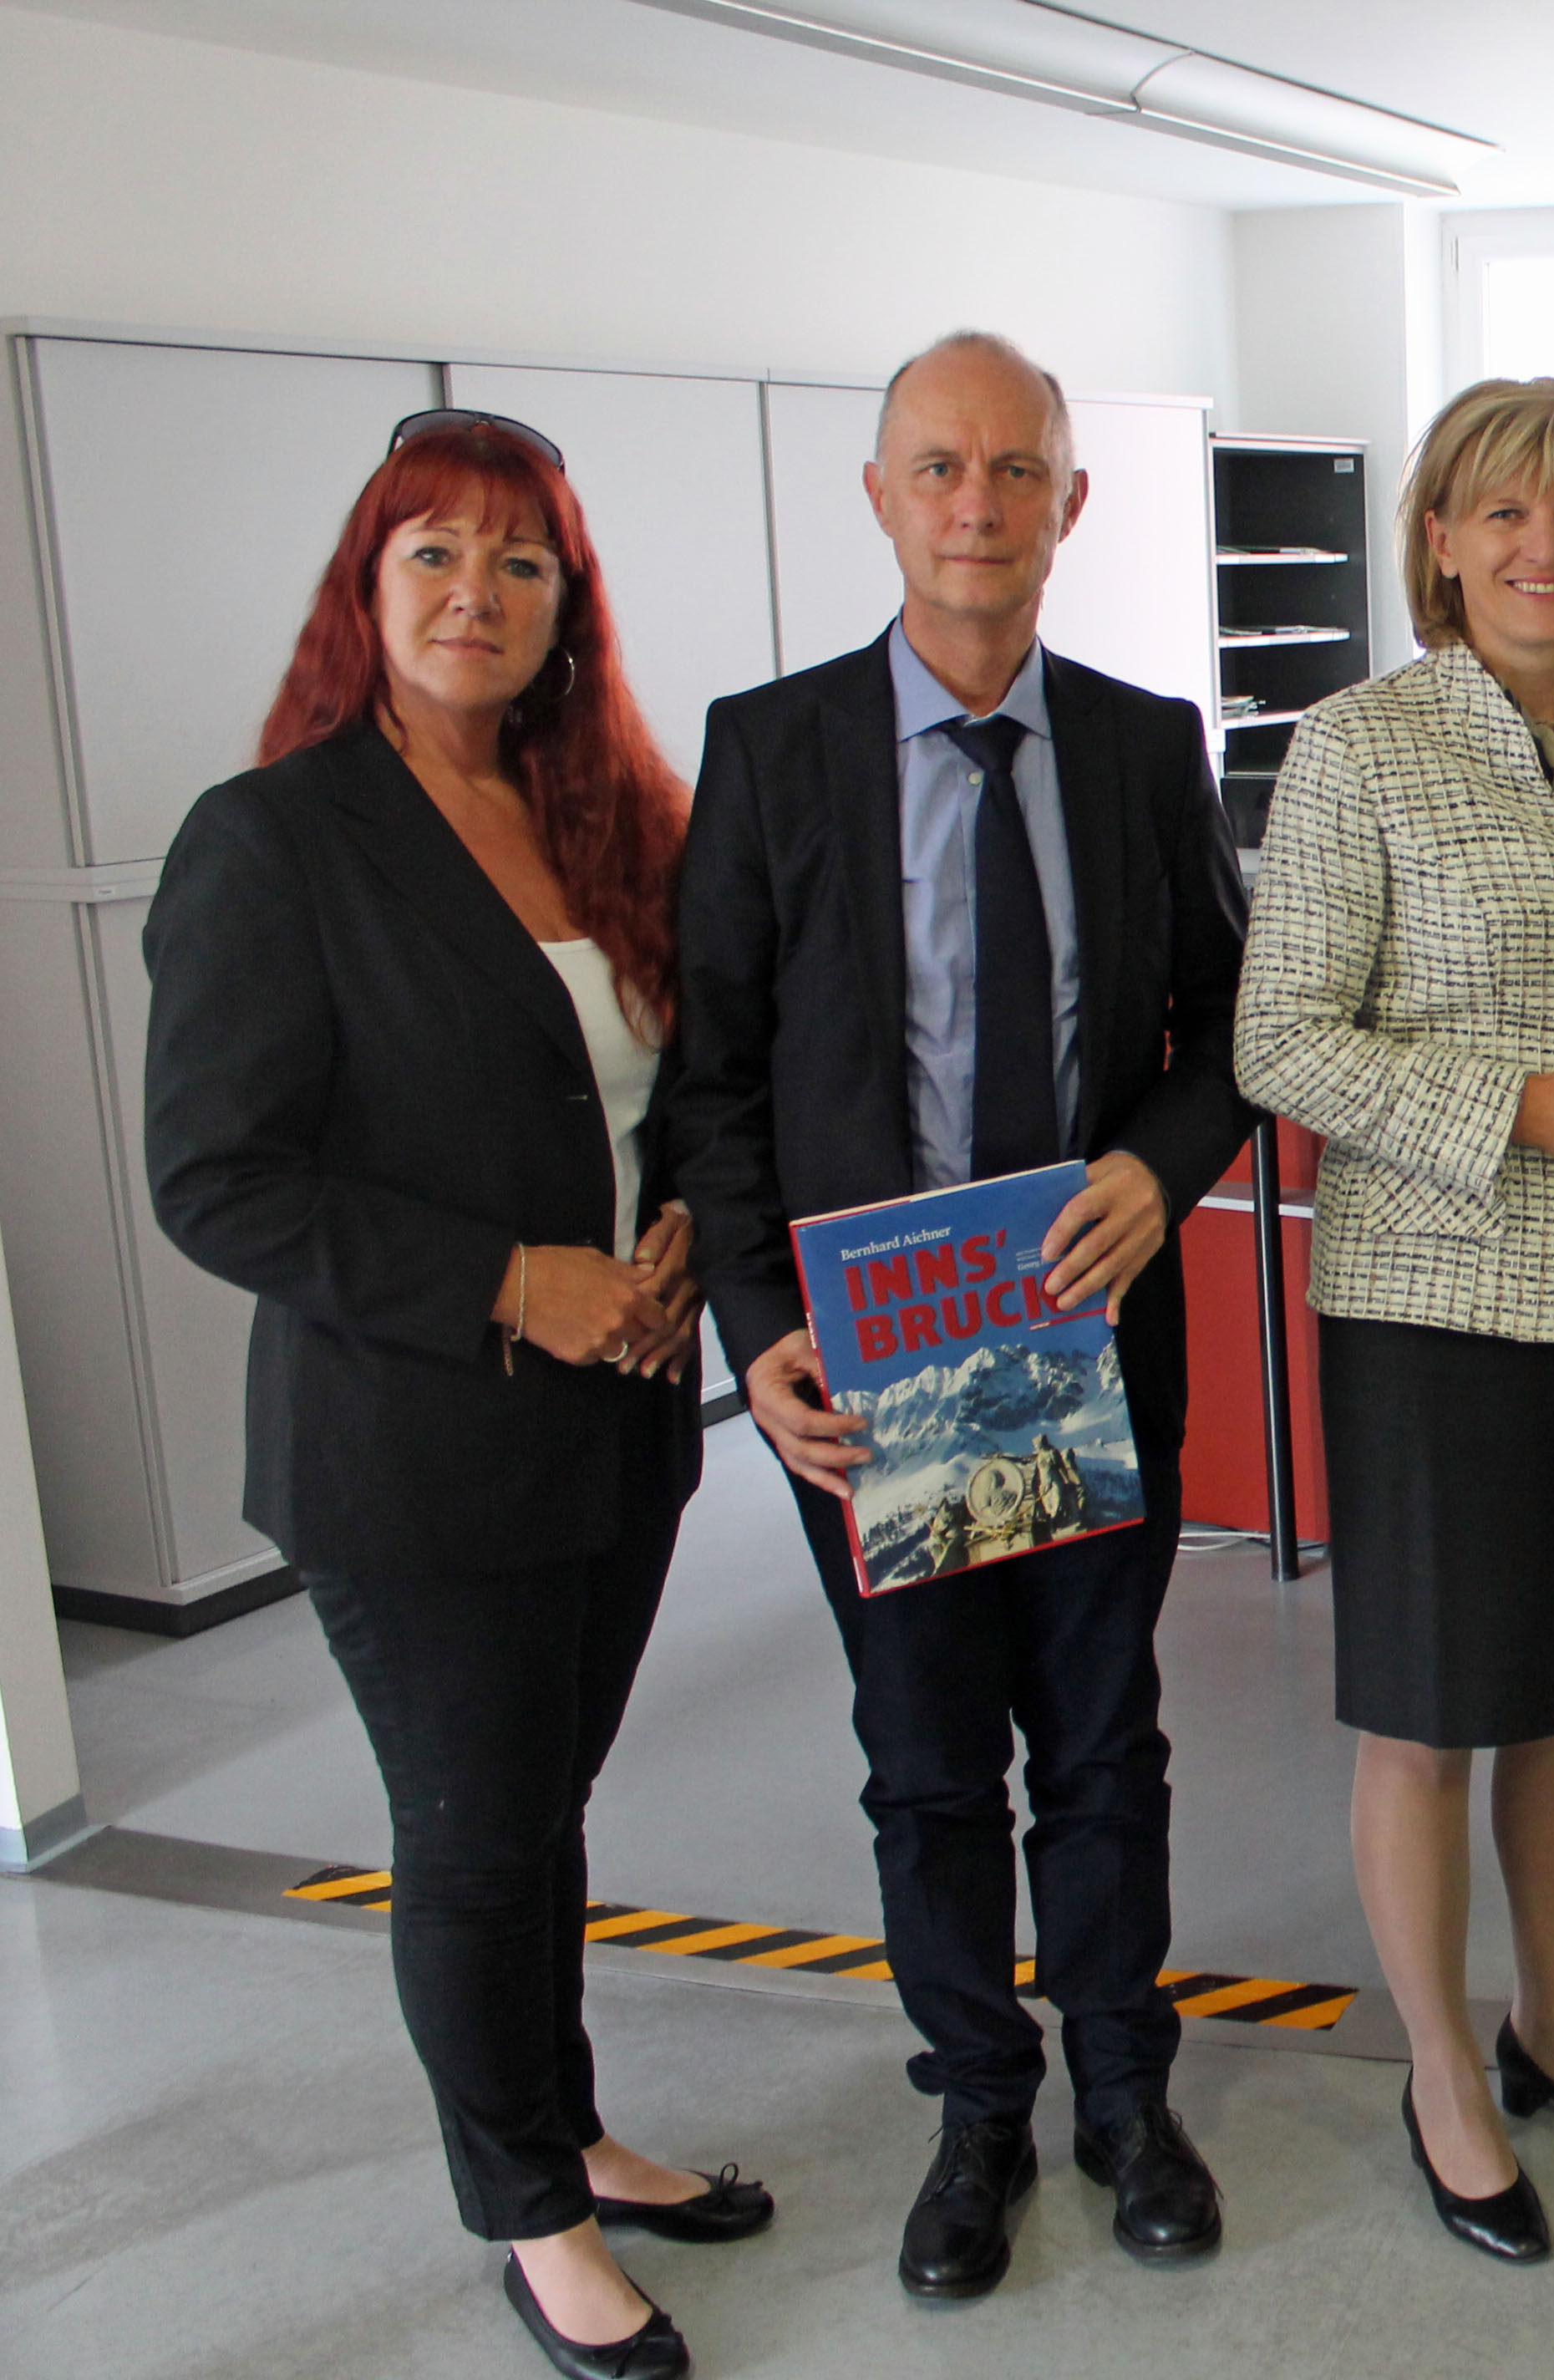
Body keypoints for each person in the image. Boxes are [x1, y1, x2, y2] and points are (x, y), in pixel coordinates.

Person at [142, 410, 760, 2380]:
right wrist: (517, 1279)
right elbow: (217, 1176)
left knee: (542, 1808)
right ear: (366, 582)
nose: (474, 594)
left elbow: (662, 1090)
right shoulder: (274, 838)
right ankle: (529, 2211)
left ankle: (565, 2123)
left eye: (519, 560)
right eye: (433, 552)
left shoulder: (612, 817)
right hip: (409, 1445)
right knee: (475, 1828)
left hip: (615, 1426)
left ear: (568, 603)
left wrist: (667, 1240)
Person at [669, 332, 1257, 2298]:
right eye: (941, 467)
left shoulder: (1140, 740)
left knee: (1101, 1734)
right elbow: (717, 1076)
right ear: (883, 495)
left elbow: (1224, 1032)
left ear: (1071, 502)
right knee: (924, 1760)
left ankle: (1123, 2087)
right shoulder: (769, 751)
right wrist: (755, 1322)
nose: (980, 504)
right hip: (877, 1356)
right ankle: (977, 2104)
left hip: (1084, 1335)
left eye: (1018, 470)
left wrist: (1156, 1167)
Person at [1237, 377, 1554, 2266]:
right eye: (1503, 513)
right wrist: (1512, 1102)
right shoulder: (1357, 744)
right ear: (1436, 535)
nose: (1546, 547)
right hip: (1436, 1292)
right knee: (1435, 1710)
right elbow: (1284, 1035)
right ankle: (1442, 2061)